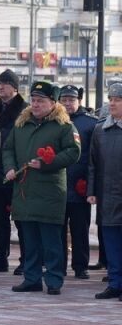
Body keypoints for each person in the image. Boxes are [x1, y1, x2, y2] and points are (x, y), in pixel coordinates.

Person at [4, 81, 80, 295]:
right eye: (33, 100)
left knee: (51, 240)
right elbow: (8, 149)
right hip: (25, 190)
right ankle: (32, 278)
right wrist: (10, 167)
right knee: (29, 240)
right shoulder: (22, 124)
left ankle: (54, 280)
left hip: (50, 191)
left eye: (41, 101)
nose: (35, 104)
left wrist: (48, 162)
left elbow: (73, 152)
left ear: (53, 103)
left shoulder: (64, 126)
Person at [0, 69, 28, 273]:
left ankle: (26, 259)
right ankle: (0, 257)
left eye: (5, 83)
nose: (1, 87)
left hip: (18, 171)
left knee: (21, 219)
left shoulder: (25, 110)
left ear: (15, 87)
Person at [58, 85, 98, 279]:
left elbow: (94, 158)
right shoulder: (53, 121)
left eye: (71, 100)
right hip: (57, 187)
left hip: (79, 185)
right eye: (64, 100)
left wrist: (90, 185)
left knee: (80, 230)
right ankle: (58, 265)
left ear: (79, 101)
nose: (67, 104)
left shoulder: (90, 124)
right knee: (57, 230)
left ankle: (81, 266)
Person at [88, 83, 122, 300]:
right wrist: (91, 191)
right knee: (111, 243)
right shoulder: (100, 130)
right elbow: (92, 164)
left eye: (118, 100)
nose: (112, 103)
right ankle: (115, 284)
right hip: (107, 196)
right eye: (111, 99)